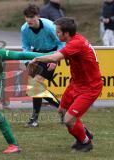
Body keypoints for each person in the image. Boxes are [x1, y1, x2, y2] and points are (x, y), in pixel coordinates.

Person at [28, 17, 103, 152]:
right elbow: (60, 55)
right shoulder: (73, 40)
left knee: (68, 120)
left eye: (58, 32)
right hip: (76, 83)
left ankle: (86, 142)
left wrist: (36, 59)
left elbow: (56, 56)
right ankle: (84, 133)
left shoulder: (76, 44)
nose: (56, 34)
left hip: (90, 88)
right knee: (62, 112)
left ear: (66, 33)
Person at [21, 4, 65, 127]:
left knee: (36, 84)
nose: (29, 20)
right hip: (36, 56)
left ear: (38, 16)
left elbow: (61, 43)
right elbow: (25, 47)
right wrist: (28, 61)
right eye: (27, 17)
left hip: (52, 54)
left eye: (32, 17)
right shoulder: (24, 29)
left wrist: (55, 60)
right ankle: (63, 108)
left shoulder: (49, 26)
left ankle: (34, 119)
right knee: (36, 88)